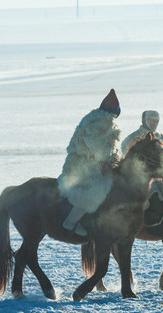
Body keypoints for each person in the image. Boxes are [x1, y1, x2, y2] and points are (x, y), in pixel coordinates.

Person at [57, 89, 121, 236]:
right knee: (94, 189)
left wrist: (113, 157)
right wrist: (107, 158)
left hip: (92, 163)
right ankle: (70, 222)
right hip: (82, 165)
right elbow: (95, 145)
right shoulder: (99, 122)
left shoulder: (101, 120)